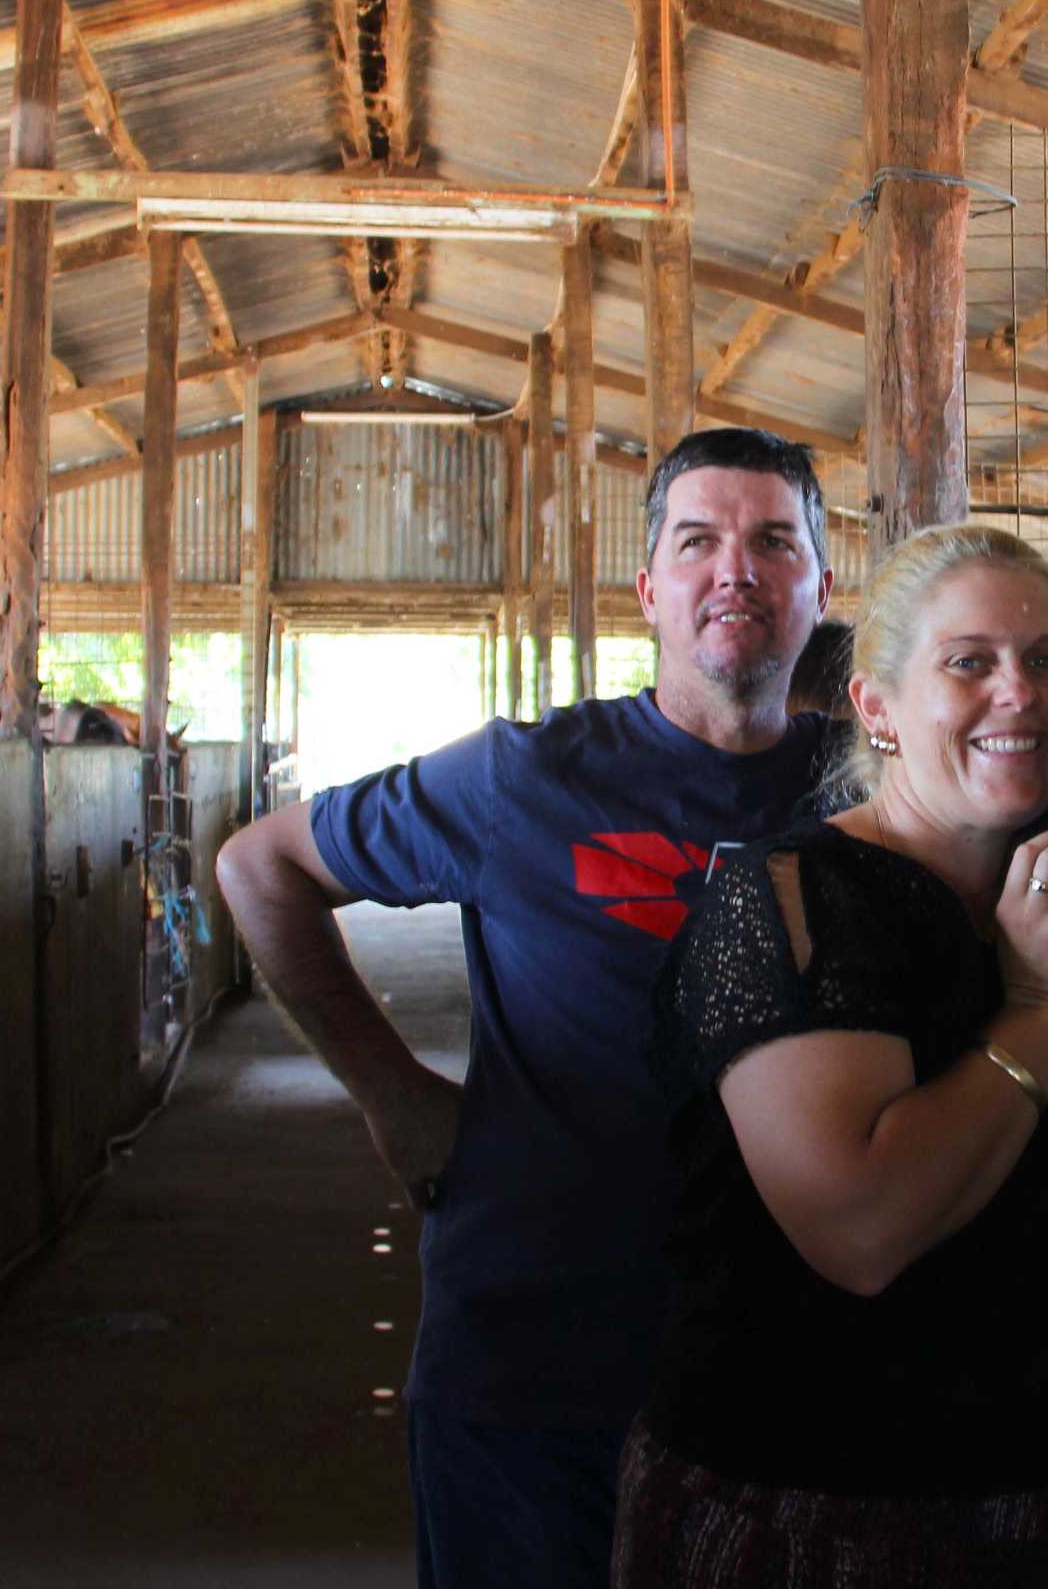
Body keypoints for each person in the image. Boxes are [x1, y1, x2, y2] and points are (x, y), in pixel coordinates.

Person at [216, 428, 837, 1589]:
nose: (736, 570)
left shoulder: (869, 784)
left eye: (773, 542)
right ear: (650, 589)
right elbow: (261, 866)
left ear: (822, 584)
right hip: (534, 1356)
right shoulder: (527, 777)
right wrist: (395, 1095)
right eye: (698, 541)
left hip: (785, 1367)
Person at [618, 523, 1048, 1584]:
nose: (1020, 692)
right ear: (877, 707)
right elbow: (859, 1226)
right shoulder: (784, 899)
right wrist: (1043, 1003)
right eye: (970, 662)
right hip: (796, 1514)